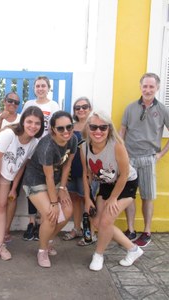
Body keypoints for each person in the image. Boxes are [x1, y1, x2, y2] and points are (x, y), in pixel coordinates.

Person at [0, 106, 44, 265]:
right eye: (29, 122)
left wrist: (13, 187)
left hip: (5, 173)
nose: (33, 126)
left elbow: (21, 166)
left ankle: (0, 245)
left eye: (37, 123)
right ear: (23, 122)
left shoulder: (34, 142)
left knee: (1, 206)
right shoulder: (9, 134)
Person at [119, 73, 169, 247]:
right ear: (140, 87)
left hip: (148, 157)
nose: (147, 89)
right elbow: (122, 131)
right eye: (145, 86)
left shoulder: (162, 110)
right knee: (129, 196)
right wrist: (122, 153)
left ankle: (146, 232)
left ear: (157, 88)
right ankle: (130, 230)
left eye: (151, 86)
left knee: (147, 196)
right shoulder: (130, 108)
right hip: (130, 158)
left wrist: (161, 154)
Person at [82, 110, 143, 271]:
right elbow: (86, 174)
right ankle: (133, 249)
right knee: (97, 221)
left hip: (126, 183)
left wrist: (114, 198)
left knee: (106, 220)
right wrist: (88, 198)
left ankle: (98, 255)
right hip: (106, 183)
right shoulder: (84, 147)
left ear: (109, 129)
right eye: (94, 127)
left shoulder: (117, 146)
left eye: (103, 127)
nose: (98, 131)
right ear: (88, 128)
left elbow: (123, 176)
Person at [22, 110, 76, 268]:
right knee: (51, 215)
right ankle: (42, 250)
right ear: (53, 129)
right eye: (61, 128)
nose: (66, 131)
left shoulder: (72, 139)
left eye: (69, 127)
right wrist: (53, 203)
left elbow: (67, 165)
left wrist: (63, 187)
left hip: (56, 180)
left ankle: (47, 240)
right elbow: (48, 177)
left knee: (67, 211)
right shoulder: (47, 146)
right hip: (35, 181)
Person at [21, 76, 60, 241]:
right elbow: (23, 124)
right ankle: (32, 222)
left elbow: (56, 127)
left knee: (45, 185)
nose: (40, 88)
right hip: (31, 150)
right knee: (33, 185)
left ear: (48, 88)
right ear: (34, 88)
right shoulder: (29, 104)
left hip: (48, 151)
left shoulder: (54, 105)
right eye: (37, 86)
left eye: (43, 86)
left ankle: (44, 223)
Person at [61, 97, 97, 246]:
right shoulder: (70, 127)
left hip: (88, 171)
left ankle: (91, 233)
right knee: (75, 199)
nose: (81, 110)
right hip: (71, 169)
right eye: (77, 107)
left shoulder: (94, 126)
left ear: (90, 108)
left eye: (84, 106)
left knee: (88, 200)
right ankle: (76, 229)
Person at [0, 92, 21, 244]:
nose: (12, 104)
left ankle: (6, 230)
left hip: (14, 163)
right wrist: (1, 118)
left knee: (11, 197)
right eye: (10, 101)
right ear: (4, 101)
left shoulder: (21, 119)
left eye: (16, 102)